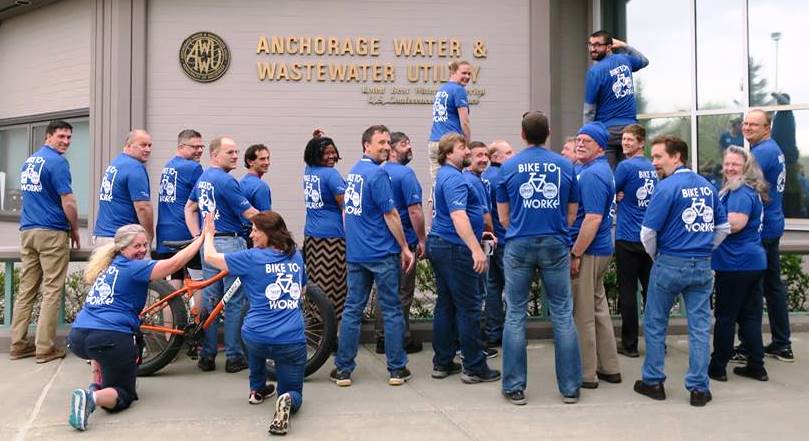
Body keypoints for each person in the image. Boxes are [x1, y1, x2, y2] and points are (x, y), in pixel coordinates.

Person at [67, 224, 203, 431]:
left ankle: (95, 385)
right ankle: (91, 397)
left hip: (78, 337)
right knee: (124, 392)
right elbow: (174, 263)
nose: (141, 250)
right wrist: (202, 240)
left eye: (144, 245)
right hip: (110, 338)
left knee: (104, 347)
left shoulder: (108, 268)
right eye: (136, 246)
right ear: (122, 249)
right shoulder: (135, 268)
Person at [634, 136, 729, 407]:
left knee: (655, 323)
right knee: (699, 327)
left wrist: (657, 257)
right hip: (701, 264)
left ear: (677, 157)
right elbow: (722, 228)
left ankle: (653, 381)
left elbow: (648, 232)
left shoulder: (665, 188)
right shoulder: (708, 186)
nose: (654, 163)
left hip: (670, 261)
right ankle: (699, 388)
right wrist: (704, 249)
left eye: (658, 157)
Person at [497, 111, 581, 405]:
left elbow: (503, 216)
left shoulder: (508, 167)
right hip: (555, 242)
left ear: (522, 135)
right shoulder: (565, 166)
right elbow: (572, 212)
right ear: (548, 133)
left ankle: (514, 386)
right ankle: (570, 387)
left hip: (519, 243)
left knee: (516, 314)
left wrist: (521, 229)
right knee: (562, 313)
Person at [202, 211, 305, 436]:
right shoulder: (296, 256)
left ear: (269, 234)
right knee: (293, 390)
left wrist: (208, 234)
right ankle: (286, 399)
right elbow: (302, 290)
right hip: (291, 339)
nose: (251, 234)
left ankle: (256, 390)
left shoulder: (250, 257)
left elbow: (210, 257)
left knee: (256, 341)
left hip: (255, 336)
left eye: (256, 230)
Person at [331, 125, 415, 387]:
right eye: (381, 142)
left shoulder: (354, 172)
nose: (386, 147)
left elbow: (348, 213)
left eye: (388, 142)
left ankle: (343, 369)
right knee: (391, 310)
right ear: (366, 145)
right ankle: (397, 368)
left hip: (357, 254)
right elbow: (390, 214)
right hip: (381, 252)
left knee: (352, 309)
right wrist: (404, 247)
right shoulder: (378, 175)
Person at [428, 132, 501, 384]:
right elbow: (459, 216)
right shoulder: (455, 180)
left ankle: (443, 361)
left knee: (446, 305)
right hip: (454, 247)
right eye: (462, 148)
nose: (467, 151)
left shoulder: (445, 176)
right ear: (449, 153)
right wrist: (475, 248)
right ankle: (473, 367)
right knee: (469, 307)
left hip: (442, 243)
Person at [185, 136, 259, 373]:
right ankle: (234, 356)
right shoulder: (227, 181)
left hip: (210, 245)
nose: (236, 156)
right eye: (230, 152)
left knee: (211, 300)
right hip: (230, 243)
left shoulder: (204, 177)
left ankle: (207, 356)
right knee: (235, 301)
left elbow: (190, 207)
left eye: (237, 151)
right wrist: (273, 226)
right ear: (215, 155)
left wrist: (200, 235)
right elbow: (248, 212)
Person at [11, 120, 80, 363]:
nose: (66, 141)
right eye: (61, 136)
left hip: (28, 231)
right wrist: (74, 229)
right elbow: (68, 202)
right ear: (48, 137)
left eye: (69, 137)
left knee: (26, 290)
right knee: (52, 289)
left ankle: (18, 344)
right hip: (51, 231)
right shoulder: (57, 162)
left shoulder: (30, 161)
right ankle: (44, 347)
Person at [734, 109, 794, 362]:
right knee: (773, 286)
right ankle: (781, 344)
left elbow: (739, 185)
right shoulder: (774, 149)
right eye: (745, 123)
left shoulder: (761, 153)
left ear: (767, 128)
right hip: (773, 224)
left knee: (752, 290)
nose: (747, 128)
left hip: (761, 230)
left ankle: (749, 346)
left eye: (754, 125)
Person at [708, 146, 769, 383]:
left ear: (746, 167)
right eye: (727, 163)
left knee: (726, 317)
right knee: (749, 317)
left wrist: (707, 224)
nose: (730, 168)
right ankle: (757, 366)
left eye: (735, 164)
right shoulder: (736, 191)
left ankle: (718, 366)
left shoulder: (741, 193)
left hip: (736, 265)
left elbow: (735, 224)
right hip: (751, 263)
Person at [569, 122, 621, 389]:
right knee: (599, 308)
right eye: (578, 139)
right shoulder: (596, 170)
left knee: (583, 313)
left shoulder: (592, 174)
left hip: (589, 250)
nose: (580, 144)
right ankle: (610, 367)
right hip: (599, 249)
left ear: (600, 147)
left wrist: (576, 252)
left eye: (586, 141)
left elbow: (592, 218)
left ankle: (586, 373)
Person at [375, 131, 426, 354]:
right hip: (404, 240)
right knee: (403, 293)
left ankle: (381, 338)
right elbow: (415, 211)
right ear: (393, 150)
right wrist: (422, 239)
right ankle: (401, 338)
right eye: (404, 144)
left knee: (384, 291)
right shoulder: (406, 175)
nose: (409, 147)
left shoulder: (377, 172)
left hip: (380, 242)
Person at [614, 124, 657, 358]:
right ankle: (656, 341)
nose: (625, 143)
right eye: (624, 139)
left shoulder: (625, 166)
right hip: (650, 238)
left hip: (628, 236)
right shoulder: (654, 166)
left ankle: (630, 344)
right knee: (652, 292)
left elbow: (610, 190)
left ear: (641, 142)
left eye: (630, 139)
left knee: (628, 291)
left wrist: (618, 195)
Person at [583, 30, 649, 168]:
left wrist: (586, 135)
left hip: (607, 131)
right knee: (631, 174)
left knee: (610, 178)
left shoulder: (594, 72)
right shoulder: (624, 60)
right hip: (629, 130)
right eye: (590, 45)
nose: (593, 49)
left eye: (597, 45)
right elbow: (643, 60)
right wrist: (625, 46)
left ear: (608, 47)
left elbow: (589, 110)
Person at [302, 132, 348, 323]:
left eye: (333, 152)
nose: (331, 157)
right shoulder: (332, 175)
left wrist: (317, 138)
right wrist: (352, 235)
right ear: (316, 155)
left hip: (312, 236)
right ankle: (332, 331)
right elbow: (346, 208)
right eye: (326, 153)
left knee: (316, 282)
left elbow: (312, 152)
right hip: (333, 238)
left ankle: (314, 323)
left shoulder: (309, 171)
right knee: (335, 285)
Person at [155, 129, 204, 280]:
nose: (200, 151)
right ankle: (199, 305)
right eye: (194, 147)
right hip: (185, 231)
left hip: (165, 231)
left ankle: (168, 305)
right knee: (198, 279)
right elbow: (202, 199)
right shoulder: (193, 168)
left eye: (202, 147)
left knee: (173, 278)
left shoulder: (168, 166)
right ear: (181, 146)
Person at [480, 140, 514, 349]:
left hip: (488, 239)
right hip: (504, 238)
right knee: (511, 287)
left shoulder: (483, 178)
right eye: (508, 152)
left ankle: (493, 331)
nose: (513, 154)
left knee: (492, 285)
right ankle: (511, 332)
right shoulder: (503, 177)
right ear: (496, 157)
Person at [94, 129, 154, 245]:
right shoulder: (135, 167)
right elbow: (143, 207)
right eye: (143, 145)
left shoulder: (116, 163)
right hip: (124, 239)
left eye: (149, 145)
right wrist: (149, 236)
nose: (148, 149)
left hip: (102, 235)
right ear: (128, 145)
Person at [428, 60, 473, 184]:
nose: (467, 77)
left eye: (469, 74)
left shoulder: (442, 89)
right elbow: (465, 122)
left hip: (434, 141)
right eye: (464, 73)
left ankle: (434, 202)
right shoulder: (459, 90)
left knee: (436, 183)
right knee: (453, 181)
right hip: (450, 143)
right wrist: (466, 144)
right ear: (454, 72)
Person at [240, 144, 273, 243]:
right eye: (262, 159)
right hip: (254, 237)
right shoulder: (260, 186)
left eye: (268, 158)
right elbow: (265, 219)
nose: (267, 162)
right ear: (250, 161)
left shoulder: (241, 183)